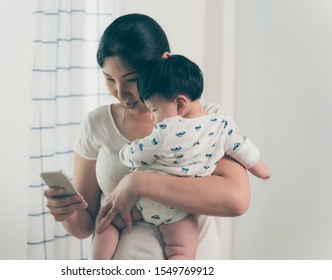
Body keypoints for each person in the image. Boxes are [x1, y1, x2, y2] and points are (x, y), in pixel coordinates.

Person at [44, 13, 253, 260]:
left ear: (164, 62)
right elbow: (86, 226)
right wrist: (67, 212)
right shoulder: (97, 124)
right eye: (110, 79)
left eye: (132, 80)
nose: (121, 93)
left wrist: (138, 183)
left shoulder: (206, 121)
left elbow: (236, 199)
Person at [91, 54, 270, 259]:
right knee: (182, 251)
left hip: (146, 202)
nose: (153, 117)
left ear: (179, 104)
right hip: (180, 211)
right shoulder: (221, 125)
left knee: (108, 221)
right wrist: (260, 168)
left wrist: (125, 152)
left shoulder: (166, 131)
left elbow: (136, 154)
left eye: (155, 109)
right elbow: (242, 148)